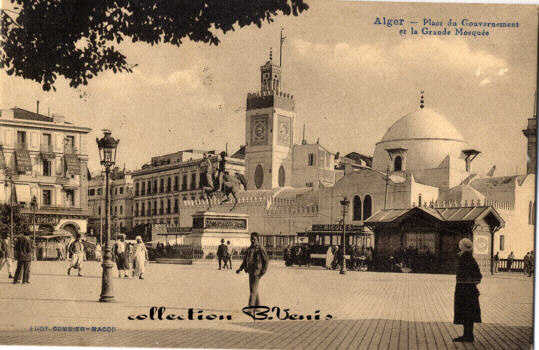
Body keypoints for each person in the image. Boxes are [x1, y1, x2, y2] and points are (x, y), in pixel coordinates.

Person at [453, 238, 482, 343]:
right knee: (468, 313)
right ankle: (467, 335)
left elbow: (474, 276)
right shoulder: (470, 258)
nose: (459, 247)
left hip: (464, 290)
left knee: (466, 312)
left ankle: (468, 336)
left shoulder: (465, 258)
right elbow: (478, 277)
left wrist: (466, 282)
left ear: (463, 247)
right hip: (470, 289)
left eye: (460, 245)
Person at [236, 232, 269, 307]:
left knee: (253, 290)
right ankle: (257, 306)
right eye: (251, 239)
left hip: (257, 271)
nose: (252, 240)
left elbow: (266, 260)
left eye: (253, 239)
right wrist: (240, 269)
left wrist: (263, 271)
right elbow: (245, 260)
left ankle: (250, 307)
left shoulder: (260, 248)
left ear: (257, 239)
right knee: (253, 289)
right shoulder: (250, 248)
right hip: (250, 271)